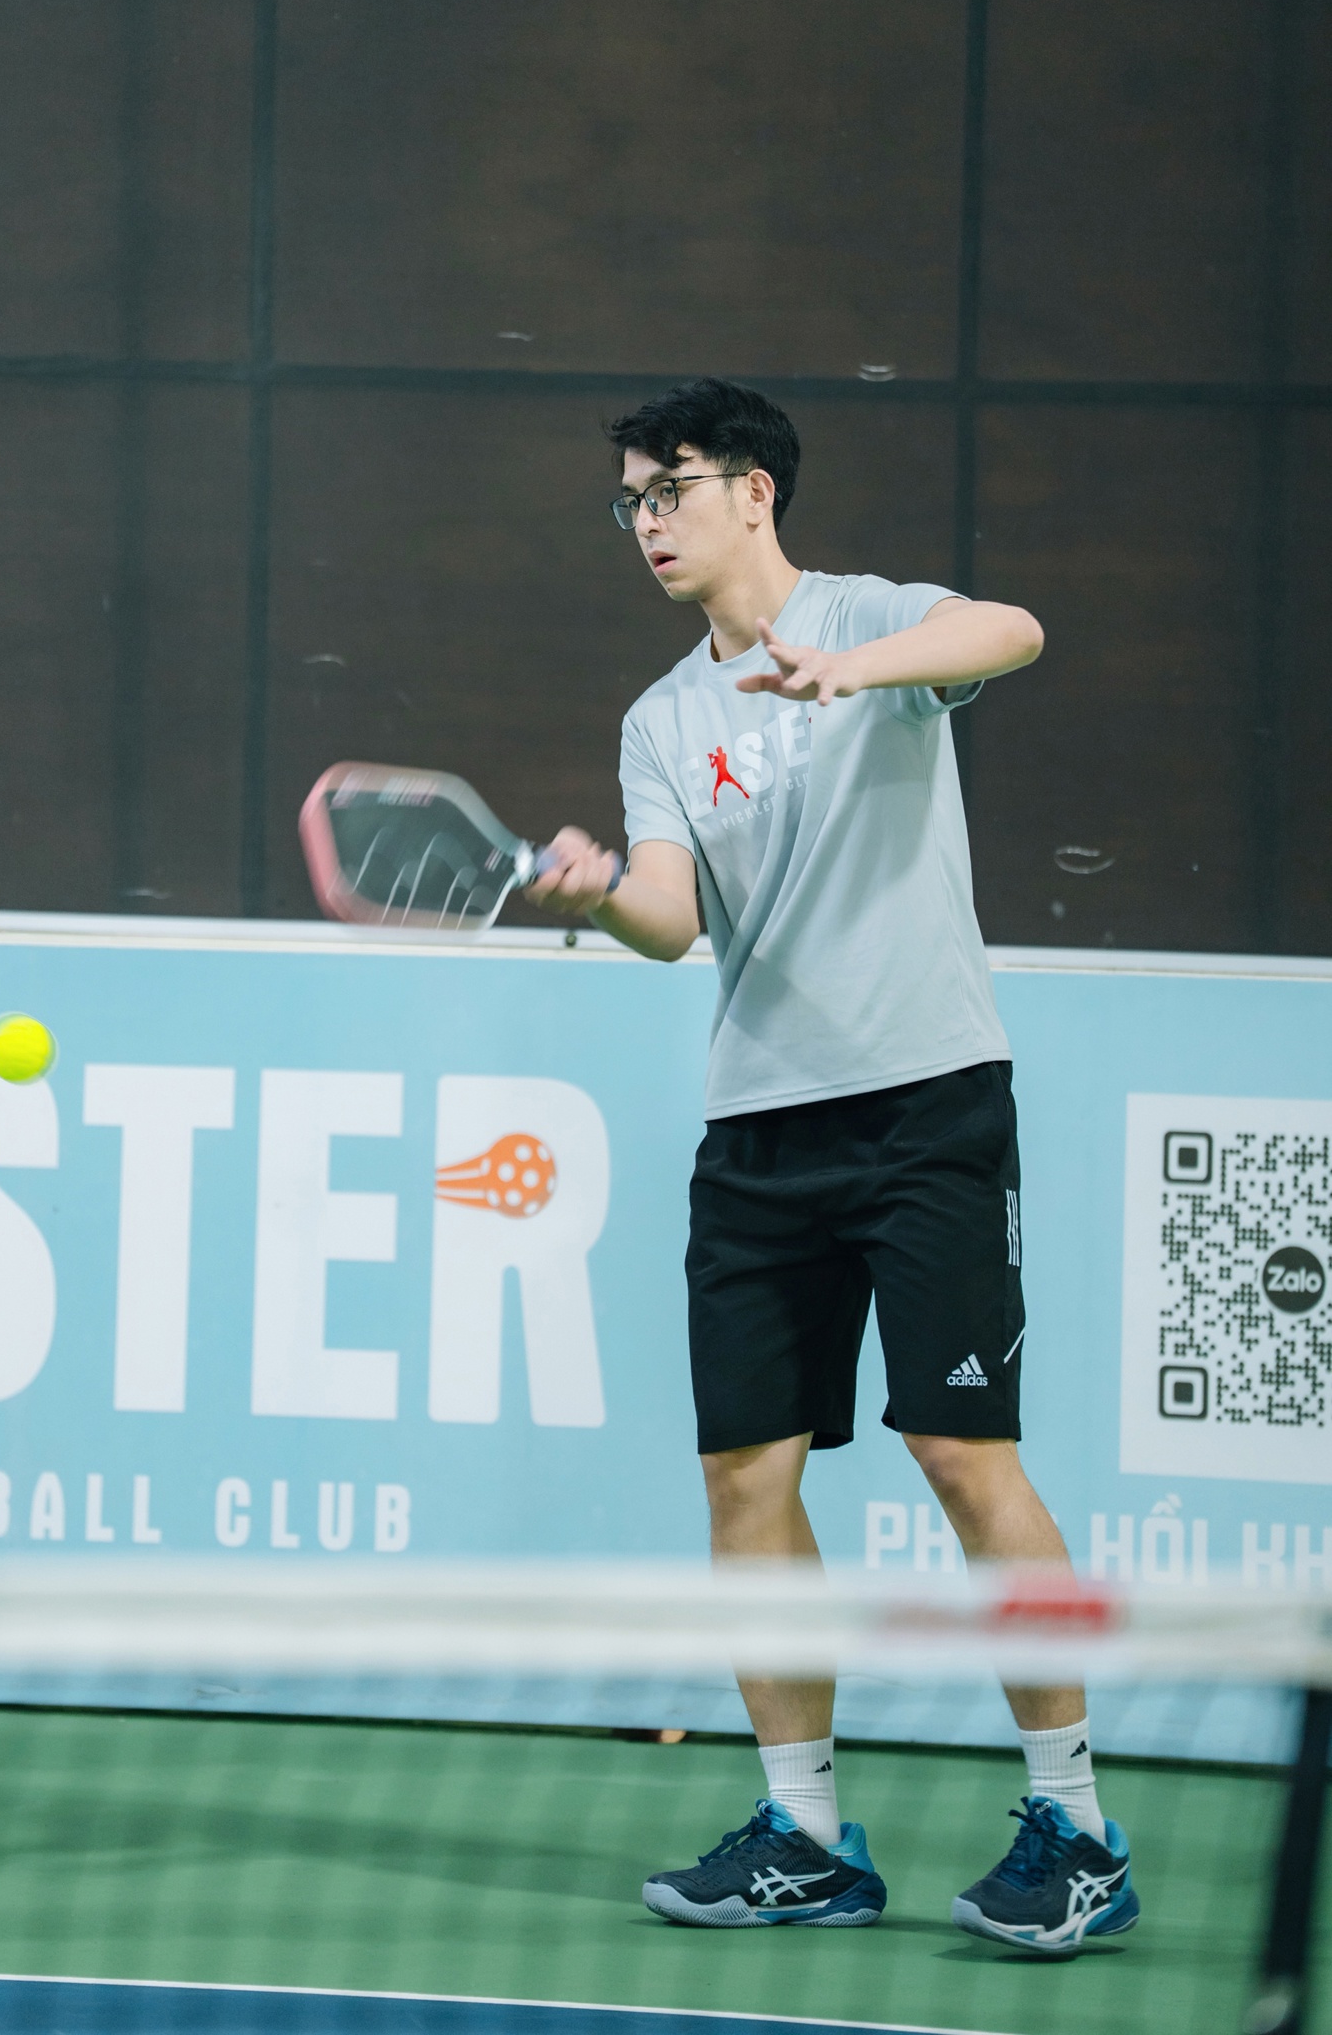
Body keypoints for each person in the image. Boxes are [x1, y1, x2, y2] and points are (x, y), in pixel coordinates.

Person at [529, 380, 1136, 1955]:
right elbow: (669, 917)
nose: (645, 522)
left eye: (668, 488)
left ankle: (1074, 1825)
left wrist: (850, 672)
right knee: (744, 1478)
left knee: (960, 1455)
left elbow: (1011, 631)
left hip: (928, 1107)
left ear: (752, 491)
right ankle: (803, 1834)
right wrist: (595, 896)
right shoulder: (660, 721)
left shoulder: (872, 619)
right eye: (629, 501)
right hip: (758, 1134)